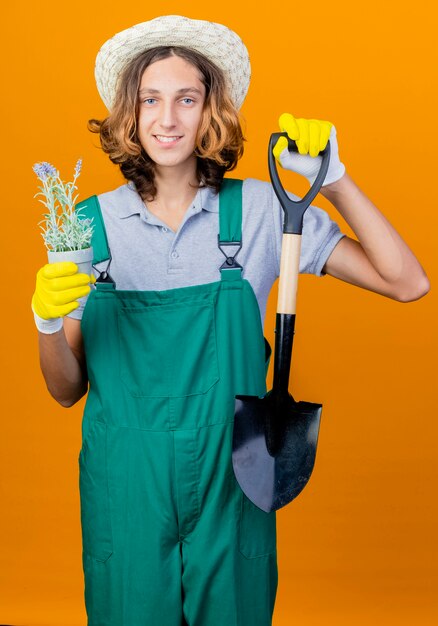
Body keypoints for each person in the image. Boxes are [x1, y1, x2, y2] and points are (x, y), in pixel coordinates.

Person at [31, 15, 429, 626]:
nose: (168, 119)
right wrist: (47, 323)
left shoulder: (265, 212)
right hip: (127, 492)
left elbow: (408, 282)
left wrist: (336, 180)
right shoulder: (86, 225)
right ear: (128, 115)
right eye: (150, 100)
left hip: (230, 481)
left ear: (210, 110)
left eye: (187, 99)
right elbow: (65, 390)